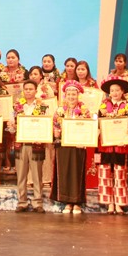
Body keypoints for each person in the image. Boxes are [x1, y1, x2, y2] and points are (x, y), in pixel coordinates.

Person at [54, 81, 92, 214]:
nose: (71, 97)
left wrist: (85, 139)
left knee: (77, 173)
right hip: (63, 146)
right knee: (65, 173)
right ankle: (67, 202)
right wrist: (56, 131)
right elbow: (55, 125)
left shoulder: (85, 111)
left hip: (78, 145)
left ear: (78, 95)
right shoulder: (59, 110)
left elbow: (89, 127)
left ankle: (77, 202)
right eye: (68, 94)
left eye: (73, 94)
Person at [97, 79, 128, 214]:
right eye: (112, 90)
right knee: (105, 173)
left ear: (122, 91)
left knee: (120, 174)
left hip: (120, 145)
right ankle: (109, 203)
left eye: (117, 90)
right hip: (105, 145)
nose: (114, 93)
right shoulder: (103, 106)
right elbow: (98, 124)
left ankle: (119, 203)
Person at [11, 79, 48, 212]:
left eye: (31, 89)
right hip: (21, 144)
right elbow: (11, 127)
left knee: (37, 175)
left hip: (36, 144)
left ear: (36, 91)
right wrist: (12, 127)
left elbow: (46, 125)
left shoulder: (43, 107)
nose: (28, 91)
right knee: (21, 175)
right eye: (26, 89)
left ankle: (37, 202)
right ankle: (22, 202)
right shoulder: (16, 107)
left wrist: (42, 137)